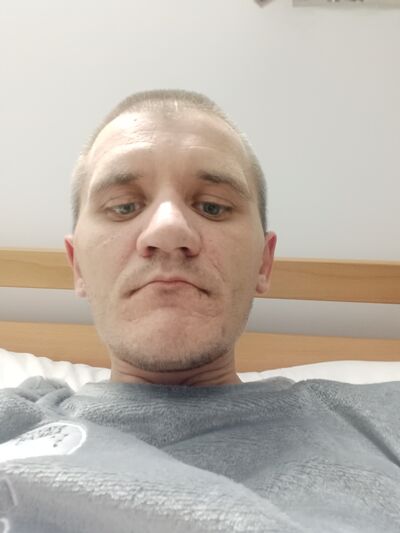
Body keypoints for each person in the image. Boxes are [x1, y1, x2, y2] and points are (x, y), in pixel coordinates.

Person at [1, 90, 400, 533]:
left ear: (263, 263)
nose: (169, 230)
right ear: (77, 266)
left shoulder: (380, 416)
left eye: (212, 206)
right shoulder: (17, 418)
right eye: (124, 207)